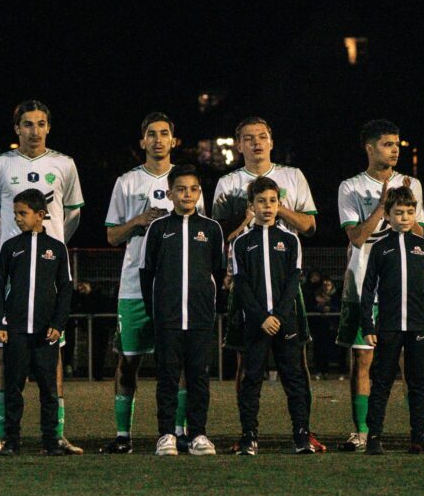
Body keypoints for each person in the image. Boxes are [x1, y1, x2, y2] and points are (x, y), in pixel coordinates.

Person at [0, 99, 84, 455]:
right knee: (2, 357)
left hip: (48, 274)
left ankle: (55, 435)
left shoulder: (64, 164)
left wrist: (49, 249)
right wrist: (16, 245)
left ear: (48, 127)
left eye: (40, 124)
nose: (34, 131)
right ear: (16, 128)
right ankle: (3, 435)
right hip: (14, 275)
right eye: (27, 124)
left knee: (51, 361)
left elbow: (71, 216)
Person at [210, 117, 317, 427]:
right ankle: (248, 432)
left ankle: (303, 430)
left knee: (296, 359)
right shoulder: (227, 184)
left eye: (261, 136)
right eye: (248, 137)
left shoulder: (293, 176)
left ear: (271, 141)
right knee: (247, 359)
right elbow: (217, 235)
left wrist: (276, 206)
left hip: (286, 281)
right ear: (240, 145)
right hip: (247, 281)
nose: (256, 142)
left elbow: (310, 226)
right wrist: (246, 219)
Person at [101, 112, 198, 453]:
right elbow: (112, 236)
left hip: (175, 288)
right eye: (152, 134)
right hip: (134, 286)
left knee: (178, 363)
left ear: (174, 140)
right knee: (129, 360)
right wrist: (138, 221)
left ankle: (179, 431)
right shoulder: (127, 182)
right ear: (142, 141)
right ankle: (123, 436)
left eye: (164, 134)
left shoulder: (187, 182)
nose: (158, 140)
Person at [335, 119, 424, 451]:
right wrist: (381, 208)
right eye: (388, 144)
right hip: (362, 287)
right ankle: (362, 431)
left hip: (401, 289)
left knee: (408, 363)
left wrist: (401, 214)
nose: (395, 150)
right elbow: (357, 238)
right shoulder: (350, 187)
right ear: (370, 148)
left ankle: (418, 430)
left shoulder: (412, 184)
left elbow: (419, 237)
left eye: (397, 144)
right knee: (363, 361)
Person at [230, 177, 323, 455]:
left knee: (294, 379)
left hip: (285, 323)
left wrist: (279, 316)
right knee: (251, 380)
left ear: (279, 204)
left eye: (272, 201)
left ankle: (301, 434)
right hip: (256, 324)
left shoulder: (290, 240)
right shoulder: (241, 243)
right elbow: (242, 284)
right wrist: (261, 316)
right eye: (261, 201)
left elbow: (293, 282)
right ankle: (249, 436)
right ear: (252, 206)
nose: (267, 206)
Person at [138, 165, 225, 455]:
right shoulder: (158, 228)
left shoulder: (211, 229)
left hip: (200, 318)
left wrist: (212, 307)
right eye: (181, 189)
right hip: (169, 318)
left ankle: (199, 434)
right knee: (167, 377)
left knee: (199, 377)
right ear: (170, 193)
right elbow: (146, 272)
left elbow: (217, 270)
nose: (187, 194)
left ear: (199, 192)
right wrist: (156, 311)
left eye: (193, 189)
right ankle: (166, 435)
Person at [359, 186, 424, 455]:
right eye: (398, 213)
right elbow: (368, 289)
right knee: (382, 383)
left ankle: (418, 437)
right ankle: (374, 437)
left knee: (418, 384)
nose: (405, 217)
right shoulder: (380, 247)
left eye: (410, 212)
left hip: (419, 327)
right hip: (388, 327)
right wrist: (368, 325)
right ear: (387, 216)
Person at [0, 189, 73, 455]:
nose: (18, 219)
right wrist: (1, 324)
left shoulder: (57, 249)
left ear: (40, 215)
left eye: (22, 213)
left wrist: (58, 324)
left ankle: (51, 441)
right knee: (14, 388)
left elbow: (66, 289)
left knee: (48, 390)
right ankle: (12, 441)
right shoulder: (11, 247)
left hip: (45, 332)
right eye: (15, 214)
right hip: (16, 331)